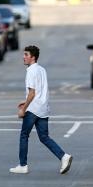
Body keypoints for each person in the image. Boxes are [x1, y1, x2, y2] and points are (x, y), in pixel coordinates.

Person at [11, 45, 73, 175]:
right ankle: (63, 156)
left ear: (33, 57)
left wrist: (24, 108)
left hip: (33, 109)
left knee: (24, 135)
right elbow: (39, 90)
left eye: (26, 55)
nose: (23, 57)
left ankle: (23, 165)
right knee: (44, 137)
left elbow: (32, 93)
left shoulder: (30, 71)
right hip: (43, 108)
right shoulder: (42, 70)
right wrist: (25, 100)